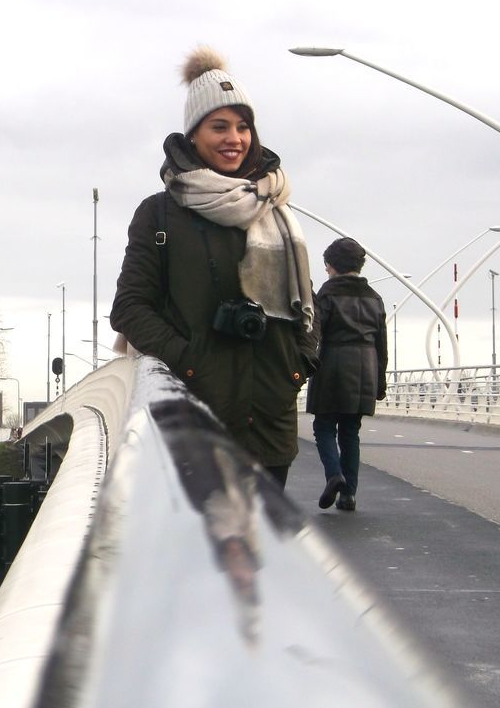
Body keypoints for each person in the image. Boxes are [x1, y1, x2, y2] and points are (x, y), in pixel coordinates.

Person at [110, 46, 317, 486]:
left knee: (257, 549)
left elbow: (308, 308)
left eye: (243, 127)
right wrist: (190, 363)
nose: (234, 139)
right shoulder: (160, 214)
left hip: (269, 416)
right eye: (219, 126)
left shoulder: (274, 210)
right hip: (193, 412)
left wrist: (297, 368)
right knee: (202, 550)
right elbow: (129, 309)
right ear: (193, 136)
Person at [307, 238, 389, 511]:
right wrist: (380, 381)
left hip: (334, 363)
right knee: (351, 431)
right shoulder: (375, 298)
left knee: (324, 426)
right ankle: (349, 495)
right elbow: (382, 345)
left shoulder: (327, 294)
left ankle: (334, 475)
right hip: (367, 365)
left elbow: (316, 332)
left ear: (331, 265)